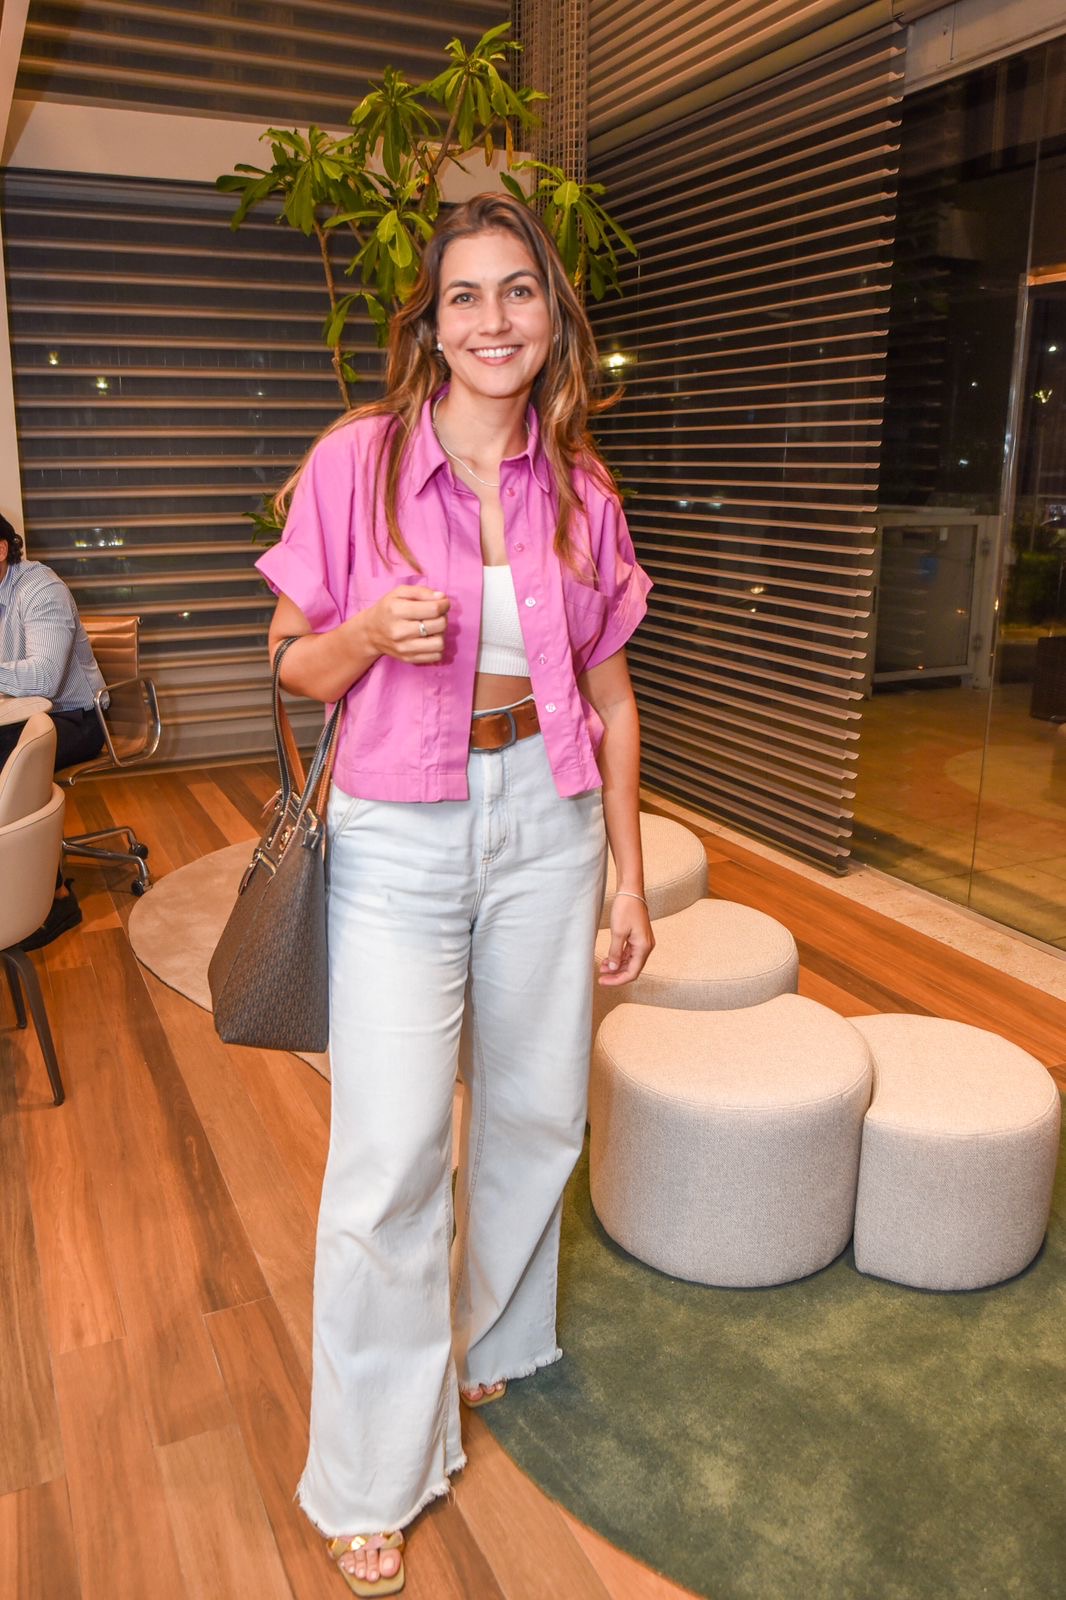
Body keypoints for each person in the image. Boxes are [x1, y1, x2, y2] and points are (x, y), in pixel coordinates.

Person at [256, 192, 654, 1597]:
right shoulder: (356, 463)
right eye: (465, 295)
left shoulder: (582, 490)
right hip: (400, 825)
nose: (493, 319)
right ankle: (370, 1470)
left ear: (552, 317)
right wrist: (367, 631)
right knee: (389, 1153)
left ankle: (492, 1337)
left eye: (518, 291)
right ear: (428, 324)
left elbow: (612, 697)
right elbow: (290, 663)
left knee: (539, 1109)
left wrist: (628, 874)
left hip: (549, 816)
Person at [0, 514, 107, 946]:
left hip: (79, 717)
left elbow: (43, 679)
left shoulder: (41, 589)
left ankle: (55, 897)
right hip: (19, 717)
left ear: (1, 549)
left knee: (9, 755)